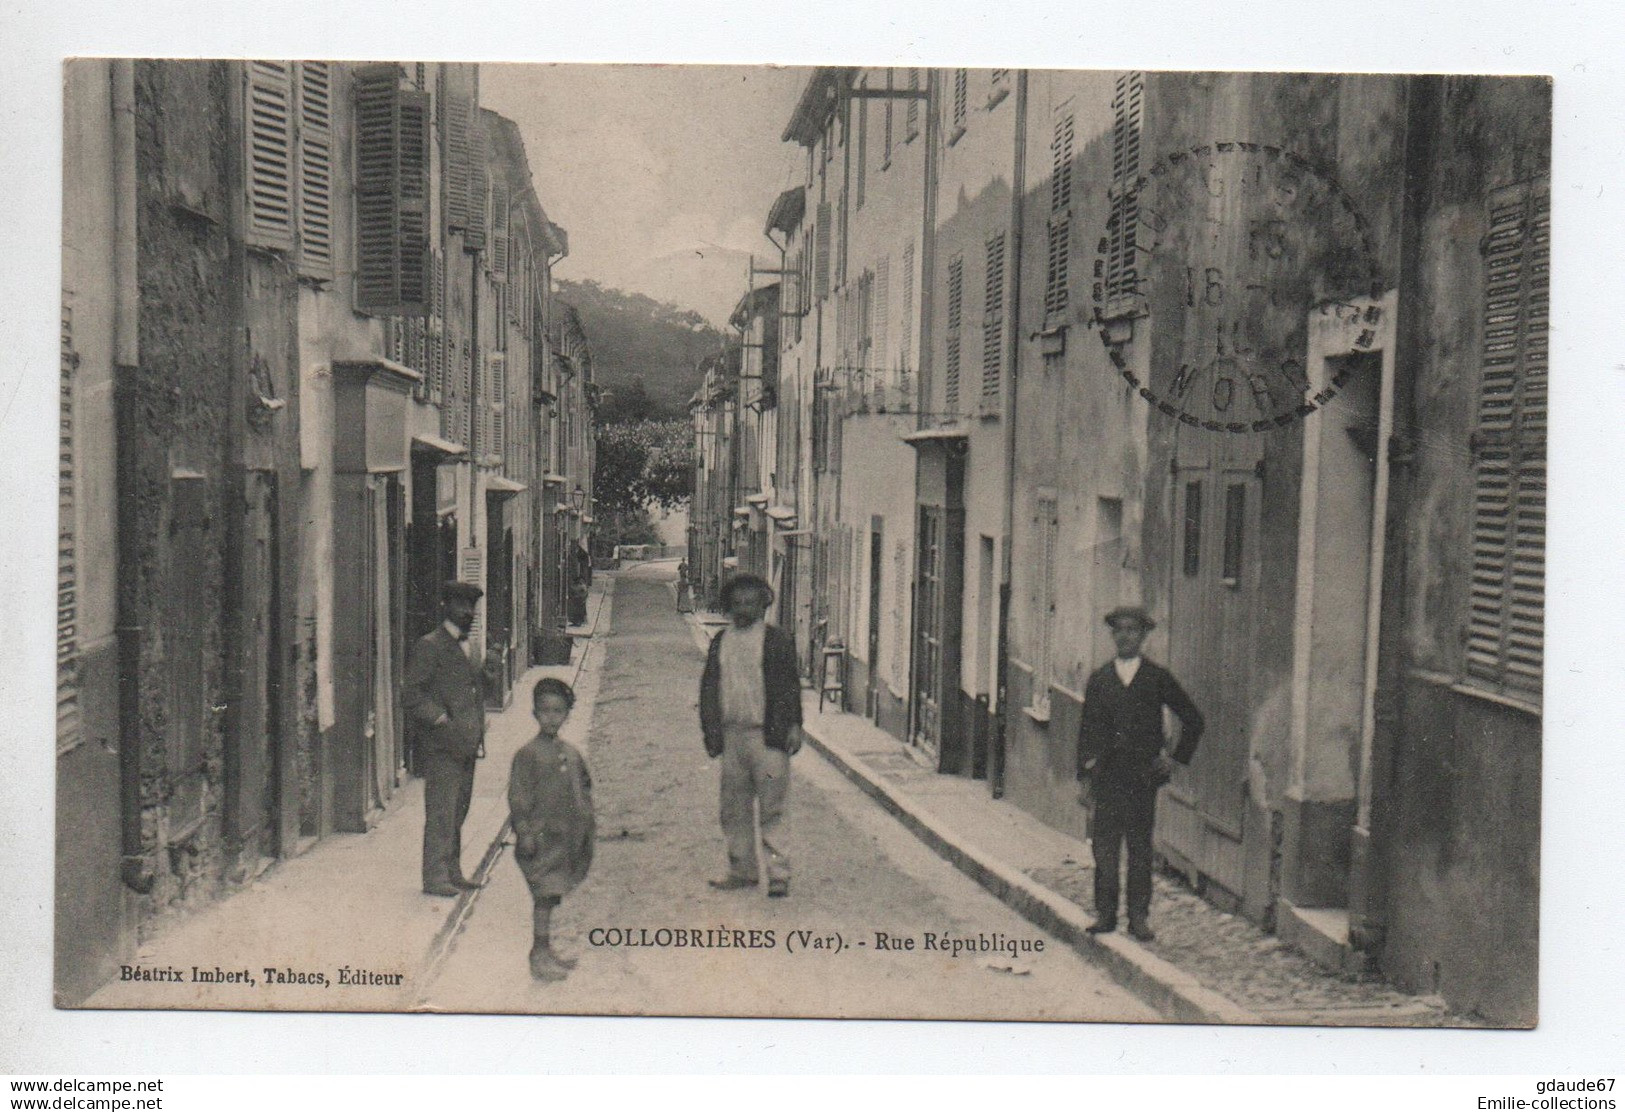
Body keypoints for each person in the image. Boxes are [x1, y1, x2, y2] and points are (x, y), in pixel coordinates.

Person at [1076, 605, 1204, 943]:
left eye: (1132, 630)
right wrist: (1085, 779)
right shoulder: (1100, 679)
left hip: (1141, 780)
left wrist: (1174, 759)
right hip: (1106, 779)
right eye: (1118, 630)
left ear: (1143, 635)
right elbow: (1086, 731)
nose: (1125, 636)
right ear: (1112, 635)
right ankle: (1105, 915)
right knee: (1104, 849)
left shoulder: (1156, 678)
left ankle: (1138, 917)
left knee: (1139, 850)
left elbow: (1193, 719)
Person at [698, 573, 803, 898]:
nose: (743, 608)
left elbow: (790, 686)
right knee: (733, 808)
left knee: (773, 808)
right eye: (737, 603)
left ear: (763, 604)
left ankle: (778, 874)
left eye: (750, 602)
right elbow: (708, 690)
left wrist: (795, 726)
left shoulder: (776, 641)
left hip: (767, 738)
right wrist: (711, 732)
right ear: (729, 606)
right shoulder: (720, 642)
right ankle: (741, 869)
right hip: (733, 737)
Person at [404, 581, 488, 898]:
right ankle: (434, 876)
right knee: (440, 812)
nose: (467, 612)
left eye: (472, 607)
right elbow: (411, 695)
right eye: (461, 605)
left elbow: (472, 690)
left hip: (467, 744)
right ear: (446, 607)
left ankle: (453, 871)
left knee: (458, 812)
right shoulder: (430, 645)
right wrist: (440, 719)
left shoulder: (472, 646)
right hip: (442, 746)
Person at [508, 677, 594, 982]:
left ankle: (545, 951)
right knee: (543, 897)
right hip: (540, 841)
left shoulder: (571, 753)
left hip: (564, 840)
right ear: (534, 713)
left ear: (567, 714)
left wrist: (585, 825)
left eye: (558, 711)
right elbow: (518, 798)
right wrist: (525, 833)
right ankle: (539, 955)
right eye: (545, 711)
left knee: (553, 895)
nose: (551, 717)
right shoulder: (527, 754)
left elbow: (583, 788)